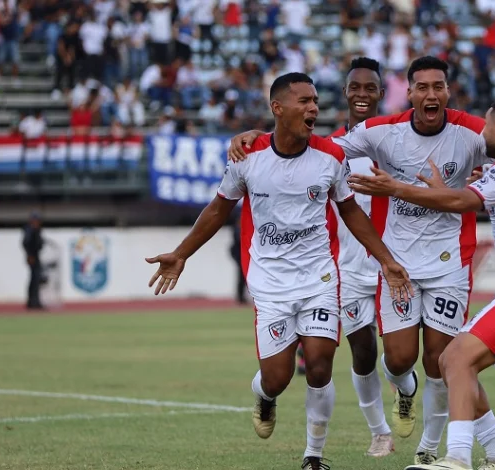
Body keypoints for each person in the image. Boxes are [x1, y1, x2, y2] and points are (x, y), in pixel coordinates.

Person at [228, 56, 495, 468]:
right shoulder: (374, 136)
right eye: (422, 87)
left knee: (440, 360)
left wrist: (486, 178)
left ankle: (429, 448)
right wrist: (257, 134)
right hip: (373, 263)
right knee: (388, 358)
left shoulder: (469, 131)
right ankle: (387, 415)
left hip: (446, 261)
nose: (430, 94)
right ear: (409, 93)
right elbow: (299, 144)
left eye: (439, 87)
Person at [146, 72, 411, 470]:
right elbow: (219, 209)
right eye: (303, 101)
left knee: (320, 363)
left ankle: (313, 456)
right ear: (278, 108)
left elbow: (351, 212)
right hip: (270, 283)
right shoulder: (247, 157)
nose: (313, 108)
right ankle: (265, 398)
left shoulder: (331, 157)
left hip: (319, 277)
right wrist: (182, 253)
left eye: (316, 101)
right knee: (277, 377)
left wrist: (386, 259)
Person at [348, 96, 495, 470]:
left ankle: (457, 457)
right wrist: (444, 190)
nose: (481, 131)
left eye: (485, 125)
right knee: (456, 362)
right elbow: (474, 199)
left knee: (454, 358)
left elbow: (461, 202)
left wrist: (396, 189)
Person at [296, 56, 395, 456]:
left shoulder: (399, 141)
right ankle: (380, 431)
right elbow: (283, 145)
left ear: (381, 94)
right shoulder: (331, 148)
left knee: (403, 358)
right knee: (363, 349)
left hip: (396, 261)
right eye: (355, 87)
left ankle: (403, 386)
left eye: (370, 87)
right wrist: (251, 135)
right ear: (345, 92)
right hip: (350, 267)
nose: (362, 94)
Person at [22, 212, 45, 310]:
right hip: (33, 257)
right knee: (35, 280)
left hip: (35, 256)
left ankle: (33, 301)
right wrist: (30, 255)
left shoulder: (35, 230)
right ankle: (33, 301)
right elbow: (26, 243)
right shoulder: (30, 230)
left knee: (35, 279)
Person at [230, 212, 247, 304]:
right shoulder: (237, 229)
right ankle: (240, 297)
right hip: (239, 255)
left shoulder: (244, 228)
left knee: (244, 276)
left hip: (244, 254)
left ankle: (242, 296)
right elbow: (238, 241)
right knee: (241, 276)